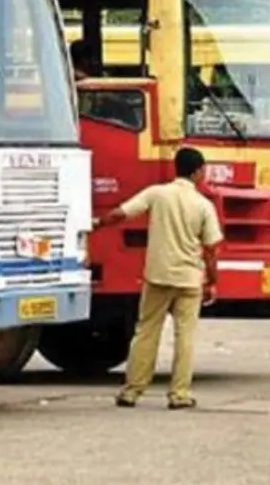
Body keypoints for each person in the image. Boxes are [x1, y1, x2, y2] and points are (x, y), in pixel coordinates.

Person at [93, 147, 222, 410]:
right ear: (198, 172)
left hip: (158, 276)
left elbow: (121, 213)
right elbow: (211, 249)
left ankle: (132, 391)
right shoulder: (203, 205)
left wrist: (97, 223)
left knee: (146, 332)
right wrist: (212, 280)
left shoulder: (157, 194)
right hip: (188, 280)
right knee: (185, 337)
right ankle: (180, 394)